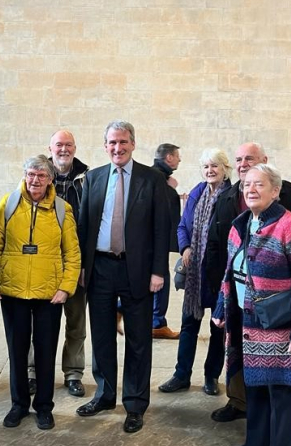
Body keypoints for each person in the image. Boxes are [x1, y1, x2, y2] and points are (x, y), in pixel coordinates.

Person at [211, 163, 291, 446]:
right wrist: (222, 308)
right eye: (246, 184)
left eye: (259, 184)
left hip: (281, 332)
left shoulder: (290, 227)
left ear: (275, 191)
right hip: (247, 328)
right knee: (255, 397)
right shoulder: (241, 224)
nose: (251, 189)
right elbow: (231, 271)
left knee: (282, 399)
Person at [76, 120, 169, 434]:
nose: (118, 148)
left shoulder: (152, 179)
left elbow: (161, 229)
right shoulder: (93, 178)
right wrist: (83, 268)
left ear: (133, 144)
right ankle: (103, 395)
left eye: (123, 142)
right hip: (100, 268)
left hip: (138, 270)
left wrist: (159, 271)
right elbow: (85, 227)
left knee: (139, 339)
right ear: (105, 146)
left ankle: (135, 403)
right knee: (101, 336)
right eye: (112, 142)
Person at [0, 155, 81, 431]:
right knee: (17, 351)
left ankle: (44, 406)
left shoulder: (62, 209)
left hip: (49, 294)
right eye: (31, 174)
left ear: (50, 179)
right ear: (24, 174)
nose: (35, 180)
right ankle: (18, 404)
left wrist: (66, 287)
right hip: (13, 291)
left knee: (45, 352)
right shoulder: (8, 204)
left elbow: (72, 252)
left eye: (41, 176)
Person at [158, 148, 232, 396]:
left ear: (225, 169)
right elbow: (182, 225)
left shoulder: (231, 196)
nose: (210, 171)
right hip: (195, 274)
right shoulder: (197, 193)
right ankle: (181, 375)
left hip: (219, 272)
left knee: (217, 328)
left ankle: (212, 376)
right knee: (189, 325)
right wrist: (186, 247)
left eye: (215, 166)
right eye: (206, 166)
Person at [25, 130, 89, 398]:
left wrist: (86, 264)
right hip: (43, 266)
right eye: (59, 145)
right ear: (49, 148)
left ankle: (73, 373)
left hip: (75, 264)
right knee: (36, 323)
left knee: (76, 322)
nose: (64, 149)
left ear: (75, 148)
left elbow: (91, 223)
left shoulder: (89, 179)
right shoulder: (36, 177)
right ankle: (32, 372)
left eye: (69, 145)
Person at [150, 142, 181, 339]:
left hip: (152, 239)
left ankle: (121, 308)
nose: (179, 159)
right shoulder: (159, 179)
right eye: (177, 156)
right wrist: (172, 189)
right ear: (168, 157)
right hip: (156, 240)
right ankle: (157, 322)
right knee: (161, 278)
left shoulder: (159, 177)